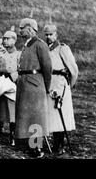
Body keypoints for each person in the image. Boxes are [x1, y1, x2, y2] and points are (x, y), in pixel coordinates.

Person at [16, 18, 52, 158]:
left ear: (30, 28)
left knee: (36, 118)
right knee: (27, 117)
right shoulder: (27, 45)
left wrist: (46, 87)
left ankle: (36, 147)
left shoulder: (39, 45)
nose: (20, 31)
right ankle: (29, 145)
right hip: (25, 84)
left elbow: (47, 68)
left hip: (35, 85)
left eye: (22, 28)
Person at [44, 24, 79, 156]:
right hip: (49, 84)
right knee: (52, 116)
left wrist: (69, 85)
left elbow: (73, 70)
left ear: (56, 35)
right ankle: (55, 144)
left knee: (60, 115)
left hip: (60, 85)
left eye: (51, 34)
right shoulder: (45, 49)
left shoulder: (62, 48)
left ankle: (59, 145)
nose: (48, 37)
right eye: (46, 35)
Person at [0, 30, 20, 145]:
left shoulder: (18, 55)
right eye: (4, 39)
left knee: (12, 112)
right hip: (0, 82)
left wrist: (13, 77)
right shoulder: (0, 54)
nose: (5, 41)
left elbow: (20, 70)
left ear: (14, 40)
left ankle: (12, 136)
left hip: (11, 84)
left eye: (8, 39)